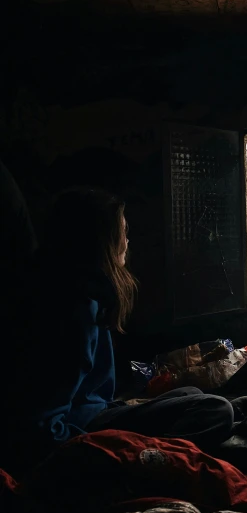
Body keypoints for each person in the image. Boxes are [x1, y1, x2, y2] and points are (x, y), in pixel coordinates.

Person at [2, 187, 233, 473]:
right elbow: (41, 427)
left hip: (94, 413)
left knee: (188, 393)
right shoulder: (70, 309)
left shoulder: (84, 293)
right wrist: (114, 453)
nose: (127, 241)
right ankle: (149, 466)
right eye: (122, 231)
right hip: (78, 433)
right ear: (103, 242)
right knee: (215, 410)